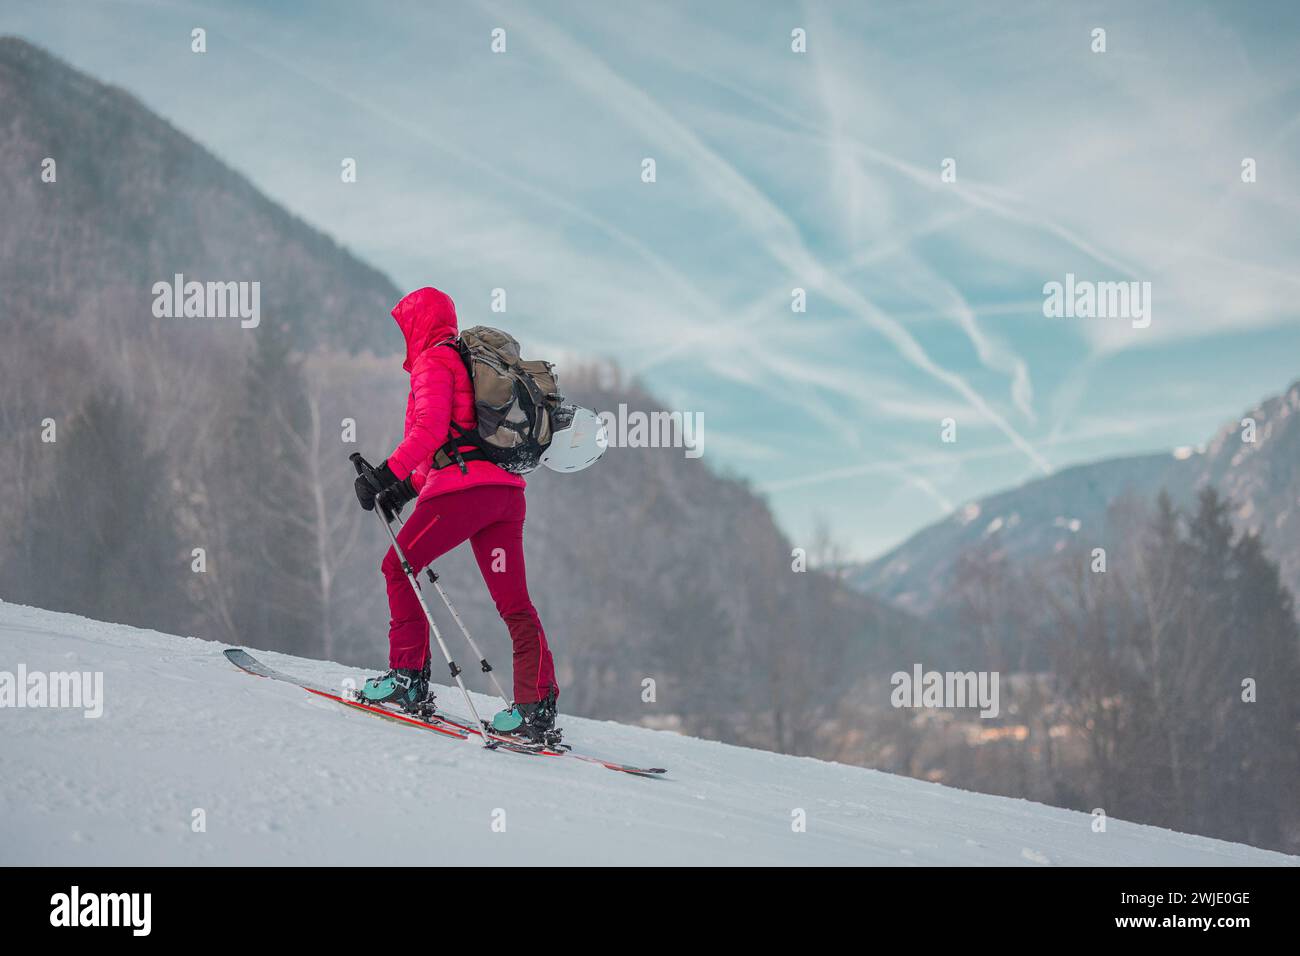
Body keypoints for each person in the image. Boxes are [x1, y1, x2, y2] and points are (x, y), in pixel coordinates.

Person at [352, 286, 559, 738]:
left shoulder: (433, 361)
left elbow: (427, 434)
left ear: (417, 324)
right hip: (505, 494)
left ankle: (407, 680)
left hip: (463, 494)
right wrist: (404, 489)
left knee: (398, 566)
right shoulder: (466, 362)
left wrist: (383, 476)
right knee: (515, 604)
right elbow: (455, 445)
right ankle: (535, 707)